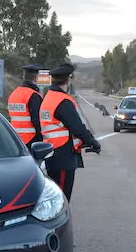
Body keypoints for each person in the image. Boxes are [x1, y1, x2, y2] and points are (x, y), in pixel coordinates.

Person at [40, 63, 101, 200]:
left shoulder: (48, 98)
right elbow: (78, 128)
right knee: (62, 198)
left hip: (51, 153)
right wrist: (93, 143)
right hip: (63, 156)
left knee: (54, 196)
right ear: (68, 80)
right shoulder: (63, 101)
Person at [7, 64, 44, 149]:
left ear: (23, 77)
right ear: (36, 78)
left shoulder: (14, 94)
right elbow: (37, 121)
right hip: (31, 140)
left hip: (16, 140)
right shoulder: (33, 95)